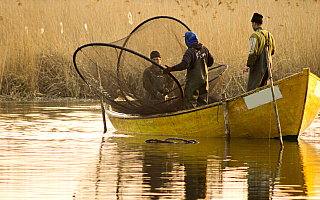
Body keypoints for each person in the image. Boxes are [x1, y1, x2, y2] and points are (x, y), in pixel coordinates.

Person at [164, 31, 214, 109]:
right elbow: (211, 62)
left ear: (187, 41)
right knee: (203, 102)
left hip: (193, 82)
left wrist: (171, 69)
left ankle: (191, 118)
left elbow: (184, 65)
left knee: (190, 102)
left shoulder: (190, 52)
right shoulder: (204, 49)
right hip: (204, 80)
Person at [243, 13, 276, 92]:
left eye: (252, 24)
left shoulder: (254, 36)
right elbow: (273, 51)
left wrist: (248, 65)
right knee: (265, 89)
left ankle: (253, 104)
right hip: (268, 66)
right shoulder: (269, 35)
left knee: (253, 89)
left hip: (258, 67)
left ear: (254, 23)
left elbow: (252, 52)